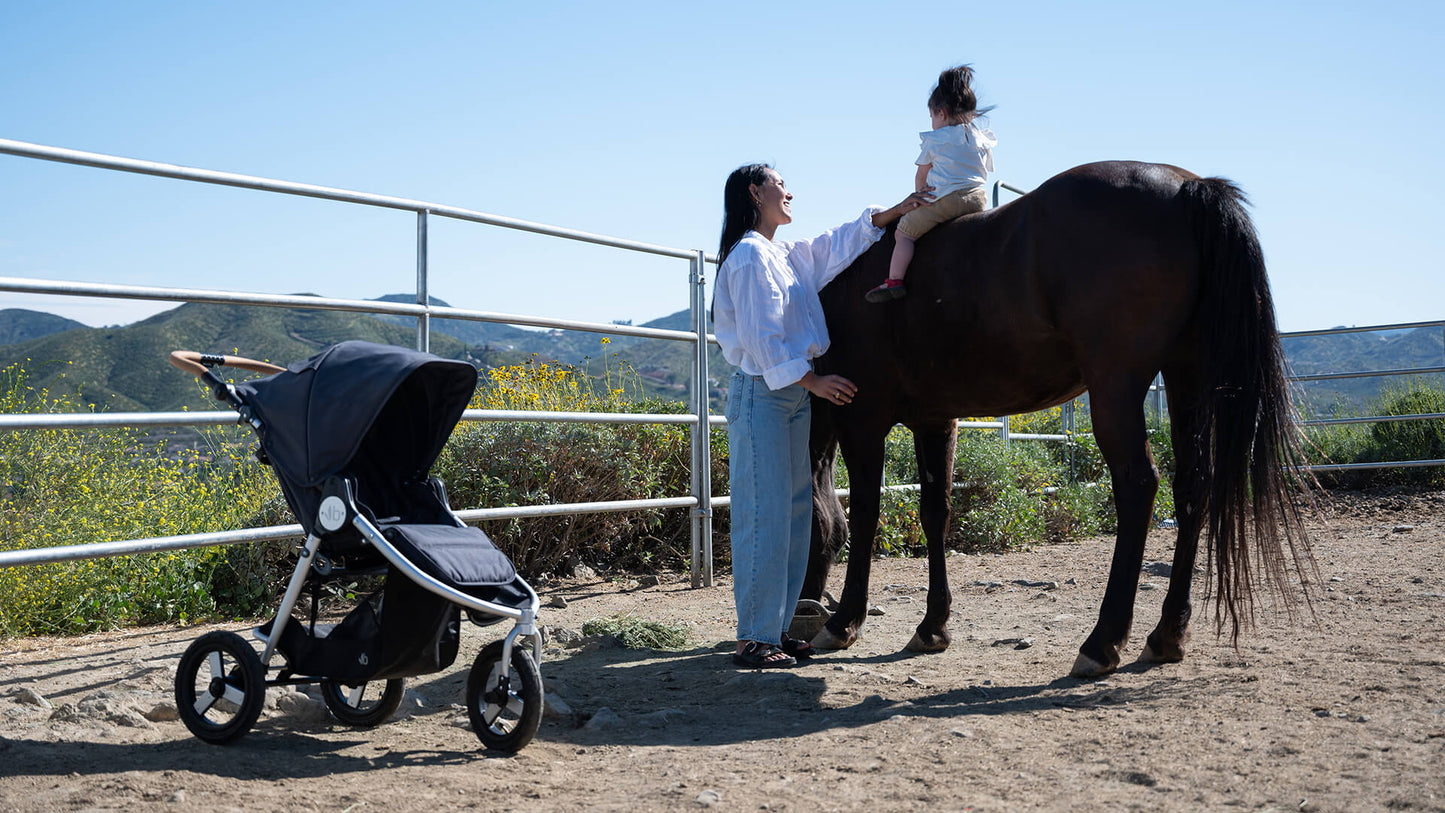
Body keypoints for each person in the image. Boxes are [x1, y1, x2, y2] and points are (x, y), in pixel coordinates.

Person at [713, 163, 931, 668]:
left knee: (792, 516)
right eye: (779, 183)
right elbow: (765, 339)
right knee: (764, 514)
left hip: (788, 395)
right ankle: (753, 638)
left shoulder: (781, 254)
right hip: (766, 392)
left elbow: (831, 246)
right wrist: (815, 381)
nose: (789, 190)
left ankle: (778, 628)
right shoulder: (748, 257)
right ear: (755, 191)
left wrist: (891, 214)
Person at [865, 65, 996, 303]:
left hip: (946, 199)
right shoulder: (979, 137)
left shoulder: (935, 139)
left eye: (932, 116)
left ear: (941, 113)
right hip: (978, 198)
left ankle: (894, 280)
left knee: (904, 233)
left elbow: (921, 177)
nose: (932, 122)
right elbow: (984, 170)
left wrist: (918, 198)